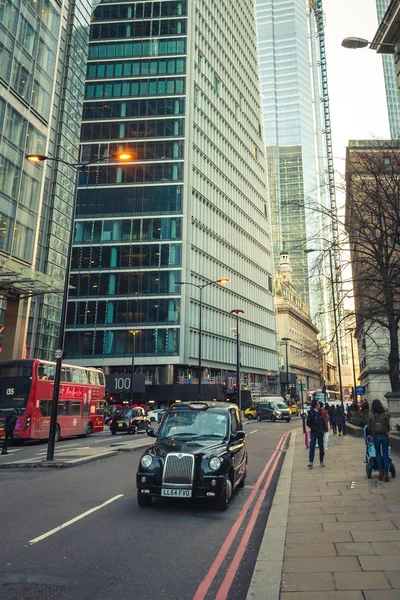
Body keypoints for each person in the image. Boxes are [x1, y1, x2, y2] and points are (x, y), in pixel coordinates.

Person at [368, 399, 391, 482]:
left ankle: (380, 471)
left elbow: (369, 427)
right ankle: (386, 473)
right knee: (385, 454)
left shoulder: (371, 415)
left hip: (376, 436)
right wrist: (387, 431)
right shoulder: (384, 414)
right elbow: (388, 425)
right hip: (384, 436)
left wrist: (371, 434)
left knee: (378, 453)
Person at [307, 399, 328, 468]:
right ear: (316, 406)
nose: (319, 405)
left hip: (320, 432)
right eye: (318, 404)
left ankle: (321, 461)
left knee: (321, 448)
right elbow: (308, 423)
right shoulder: (311, 413)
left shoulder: (320, 412)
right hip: (314, 432)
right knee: (312, 447)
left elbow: (323, 421)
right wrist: (314, 428)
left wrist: (325, 429)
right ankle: (310, 462)